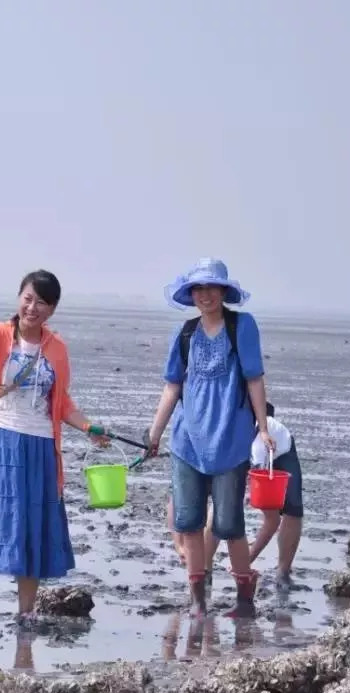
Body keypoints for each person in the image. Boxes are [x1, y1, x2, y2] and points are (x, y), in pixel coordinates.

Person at [0, 269, 109, 627]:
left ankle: (26, 610)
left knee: (32, 525)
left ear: (52, 309)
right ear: (19, 298)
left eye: (41, 302)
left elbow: (61, 401)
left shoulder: (57, 349)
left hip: (39, 446)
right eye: (28, 298)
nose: (32, 307)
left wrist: (88, 427)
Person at [147, 257, 274, 618]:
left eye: (212, 288)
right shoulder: (185, 334)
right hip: (187, 441)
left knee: (229, 523)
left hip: (230, 441)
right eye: (199, 289)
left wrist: (263, 428)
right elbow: (173, 386)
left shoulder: (242, 326)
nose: (206, 295)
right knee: (188, 521)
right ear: (191, 294)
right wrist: (154, 433)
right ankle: (198, 600)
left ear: (224, 291)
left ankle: (245, 599)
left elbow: (254, 378)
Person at [195, 401, 304, 588]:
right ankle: (205, 570)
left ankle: (282, 572)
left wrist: (246, 493)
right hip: (247, 453)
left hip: (281, 451)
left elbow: (256, 482)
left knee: (291, 510)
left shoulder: (257, 446)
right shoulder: (220, 436)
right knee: (222, 504)